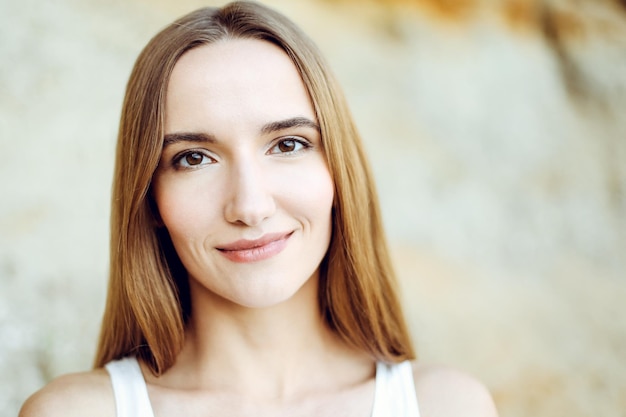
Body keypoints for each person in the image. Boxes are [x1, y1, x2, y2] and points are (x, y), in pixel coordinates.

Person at [20, 2, 498, 416]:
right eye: (193, 158)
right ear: (150, 200)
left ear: (338, 173)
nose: (250, 206)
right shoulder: (75, 413)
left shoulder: (447, 406)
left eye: (288, 144)